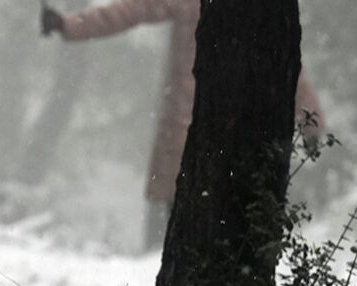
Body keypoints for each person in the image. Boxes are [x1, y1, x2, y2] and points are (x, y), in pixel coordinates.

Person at [41, 0, 325, 252]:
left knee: (197, 227)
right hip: (213, 133)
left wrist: (69, 25)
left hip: (199, 131)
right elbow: (288, 70)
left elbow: (128, 11)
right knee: (211, 228)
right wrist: (312, 123)